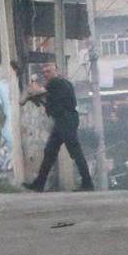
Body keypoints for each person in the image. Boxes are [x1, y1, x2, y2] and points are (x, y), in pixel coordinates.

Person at [24, 63, 94, 192]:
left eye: (48, 71)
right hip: (63, 120)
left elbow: (37, 92)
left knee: (75, 152)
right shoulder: (62, 84)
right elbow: (50, 100)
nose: (46, 74)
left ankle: (87, 183)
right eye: (44, 72)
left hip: (65, 120)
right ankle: (39, 184)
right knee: (50, 152)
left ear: (56, 71)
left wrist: (33, 81)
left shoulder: (55, 82)